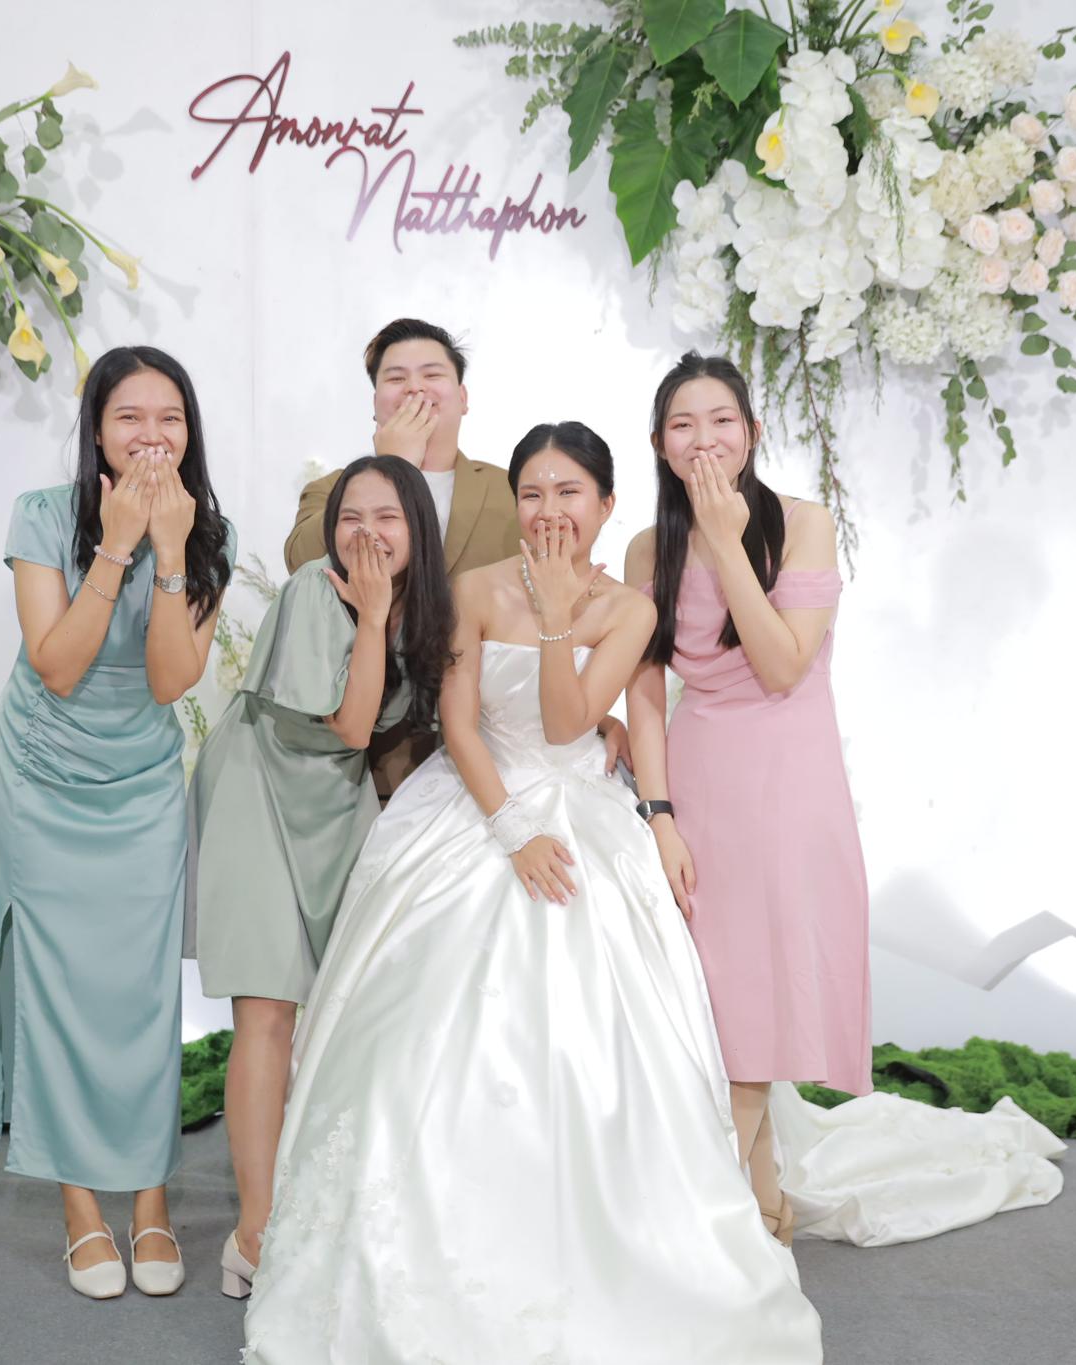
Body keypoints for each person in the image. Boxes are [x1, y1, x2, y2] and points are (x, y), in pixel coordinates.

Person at [239, 422, 824, 1363]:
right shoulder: (473, 590)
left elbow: (566, 720)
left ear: (606, 505)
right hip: (474, 802)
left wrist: (555, 617)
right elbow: (459, 723)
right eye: (534, 493)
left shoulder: (629, 609)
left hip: (581, 805)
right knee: (417, 1023)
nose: (550, 510)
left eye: (570, 493)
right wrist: (509, 828)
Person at [0, 345, 234, 1300]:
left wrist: (170, 554)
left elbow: (168, 679)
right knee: (55, 988)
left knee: (145, 995)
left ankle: (151, 1205)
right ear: (97, 430)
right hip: (42, 774)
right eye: (130, 417)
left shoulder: (209, 536)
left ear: (189, 432)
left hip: (142, 780)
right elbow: (60, 664)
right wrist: (115, 546)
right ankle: (81, 1209)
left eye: (170, 418)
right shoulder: (41, 516)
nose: (152, 435)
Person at [187, 456, 453, 1296]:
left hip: (337, 809)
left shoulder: (424, 606)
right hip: (260, 791)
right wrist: (370, 618)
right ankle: (254, 1232)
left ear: (419, 529)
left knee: (338, 1012)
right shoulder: (316, 588)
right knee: (267, 1011)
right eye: (350, 517)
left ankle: (314, 1201)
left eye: (387, 517)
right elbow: (350, 726)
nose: (365, 534)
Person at [624, 352, 869, 1244]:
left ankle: (714, 1213)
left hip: (784, 782)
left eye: (721, 420)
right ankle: (761, 1198)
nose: (704, 440)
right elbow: (645, 692)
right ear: (659, 442)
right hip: (697, 781)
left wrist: (727, 542)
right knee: (713, 995)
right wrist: (658, 814)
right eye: (683, 425)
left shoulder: (803, 524)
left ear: (754, 431)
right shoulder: (648, 547)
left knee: (756, 990)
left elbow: (781, 663)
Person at [283, 319, 526, 793]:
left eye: (432, 374)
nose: (415, 388)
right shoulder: (331, 490)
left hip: (491, 760)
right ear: (376, 403)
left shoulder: (512, 491)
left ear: (463, 397)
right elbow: (302, 563)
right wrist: (393, 467)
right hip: (363, 764)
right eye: (396, 378)